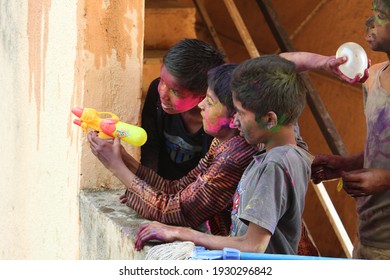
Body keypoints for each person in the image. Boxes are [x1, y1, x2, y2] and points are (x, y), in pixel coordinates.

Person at [134, 55, 313, 255]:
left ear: (270, 119)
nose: (235, 121)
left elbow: (253, 246)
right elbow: (281, 64)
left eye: (241, 114)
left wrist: (180, 233)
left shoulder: (274, 166)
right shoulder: (286, 150)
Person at [88, 64, 259, 236]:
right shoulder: (223, 142)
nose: (201, 105)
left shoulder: (235, 155)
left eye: (210, 101)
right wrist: (123, 158)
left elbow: (175, 211)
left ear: (235, 117)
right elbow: (176, 188)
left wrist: (116, 166)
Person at [308, 0, 390, 259]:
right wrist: (345, 164)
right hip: (369, 233)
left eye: (379, 16)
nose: (369, 23)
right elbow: (379, 152)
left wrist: (386, 180)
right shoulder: (373, 78)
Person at [141, 38, 225, 180]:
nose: (163, 93)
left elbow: (211, 177)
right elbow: (150, 144)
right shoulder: (155, 93)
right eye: (162, 81)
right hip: (161, 185)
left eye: (175, 91)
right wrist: (145, 185)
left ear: (202, 96)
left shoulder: (219, 119)